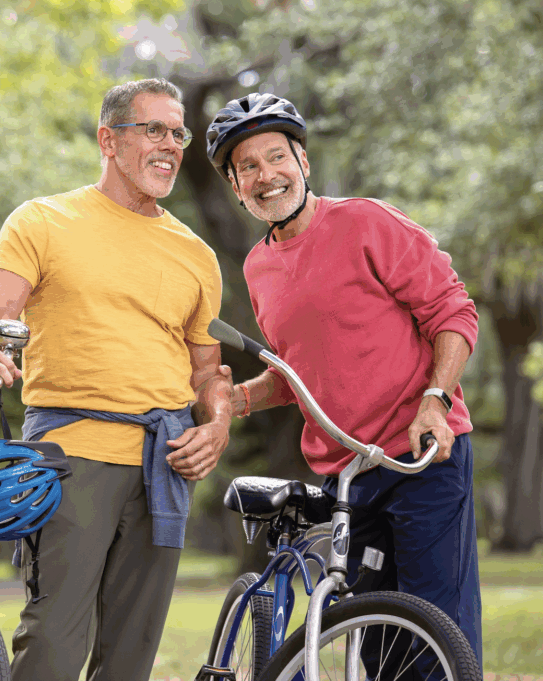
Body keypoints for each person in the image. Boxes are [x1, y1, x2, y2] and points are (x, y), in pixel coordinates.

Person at [0, 78, 234, 681]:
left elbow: (207, 371)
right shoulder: (43, 220)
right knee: (54, 644)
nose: (169, 144)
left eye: (178, 132)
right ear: (108, 140)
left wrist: (217, 425)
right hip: (70, 456)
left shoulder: (196, 254)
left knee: (131, 655)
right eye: (153, 129)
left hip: (165, 465)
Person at [204, 93, 483, 667]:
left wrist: (435, 400)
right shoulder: (258, 268)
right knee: (375, 647)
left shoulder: (365, 222)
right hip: (349, 479)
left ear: (303, 162)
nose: (266, 176)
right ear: (236, 187)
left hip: (422, 456)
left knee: (437, 632)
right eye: (248, 167)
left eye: (276, 157)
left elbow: (452, 311)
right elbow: (295, 371)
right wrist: (242, 398)